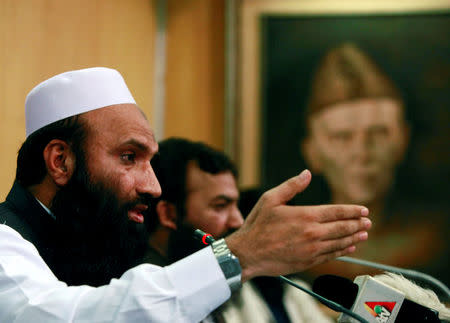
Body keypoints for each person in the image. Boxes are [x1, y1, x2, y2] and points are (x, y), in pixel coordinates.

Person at [0, 67, 371, 322]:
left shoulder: (95, 244)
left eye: (151, 161)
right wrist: (240, 255)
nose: (153, 187)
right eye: (129, 157)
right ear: (60, 161)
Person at [300, 43, 449, 292]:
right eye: (342, 137)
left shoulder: (435, 241)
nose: (362, 153)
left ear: (402, 140)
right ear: (313, 152)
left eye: (378, 133)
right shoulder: (295, 248)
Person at [145, 137, 333, 323]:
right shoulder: (145, 290)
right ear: (169, 214)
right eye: (220, 206)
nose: (238, 221)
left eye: (236, 206)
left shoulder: (215, 289)